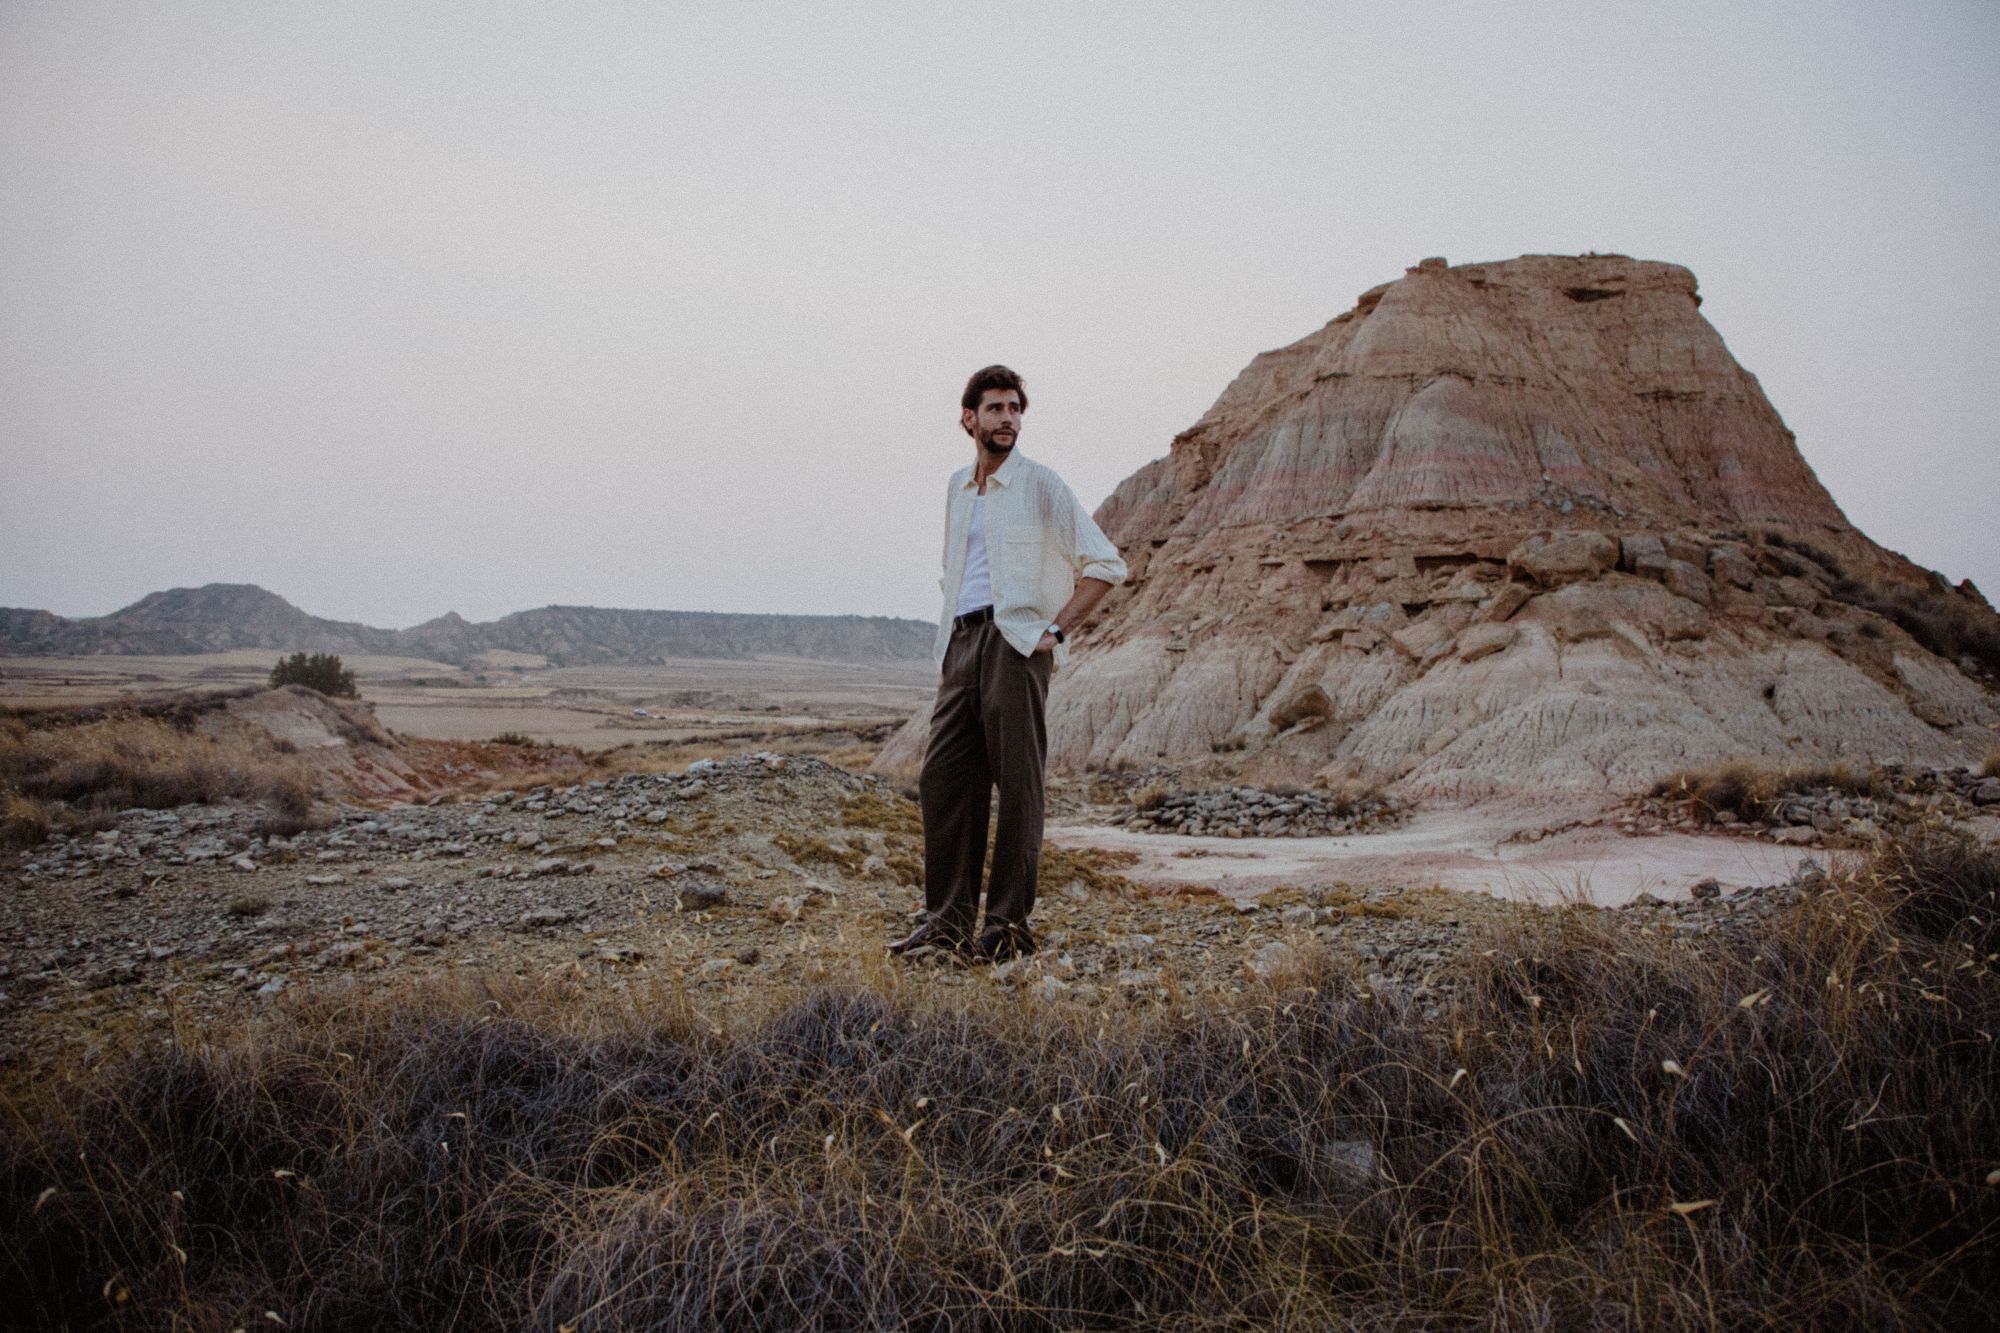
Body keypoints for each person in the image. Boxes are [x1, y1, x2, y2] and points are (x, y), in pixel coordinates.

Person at [890, 365, 1127, 963]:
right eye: (995, 409)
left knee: (1018, 787)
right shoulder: (956, 487)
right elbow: (954, 570)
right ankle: (946, 922)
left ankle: (1007, 929)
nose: (1007, 419)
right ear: (969, 419)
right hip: (960, 643)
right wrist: (951, 640)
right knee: (944, 781)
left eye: (1015, 408)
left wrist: (1056, 628)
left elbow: (1105, 565)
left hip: (1015, 643)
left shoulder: (1040, 484)